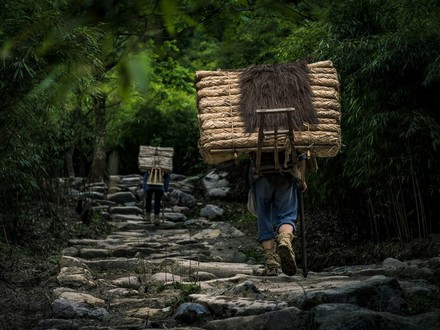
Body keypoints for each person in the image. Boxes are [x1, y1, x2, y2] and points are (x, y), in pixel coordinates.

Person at [248, 150, 307, 276]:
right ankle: (285, 241)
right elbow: (303, 153)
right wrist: (302, 178)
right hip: (286, 173)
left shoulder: (251, 129)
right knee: (287, 215)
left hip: (261, 174)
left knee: (263, 218)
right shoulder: (293, 130)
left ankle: (271, 263)